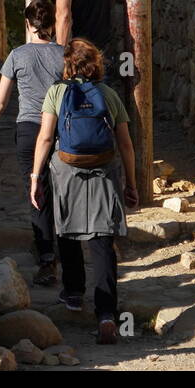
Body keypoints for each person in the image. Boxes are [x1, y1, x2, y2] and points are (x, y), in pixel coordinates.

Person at [31, 38, 139, 344]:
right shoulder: (108, 94)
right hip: (104, 169)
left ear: (68, 64)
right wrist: (130, 183)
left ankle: (75, 293)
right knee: (102, 237)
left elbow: (45, 138)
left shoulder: (56, 92)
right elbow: (126, 144)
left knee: (67, 228)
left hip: (66, 169)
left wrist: (35, 177)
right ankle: (106, 314)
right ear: (96, 64)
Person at [0, 0, 63, 286]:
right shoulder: (65, 56)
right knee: (58, 189)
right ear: (52, 24)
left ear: (28, 24)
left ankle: (47, 256)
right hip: (60, 131)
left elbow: (0, 99)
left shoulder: (17, 55)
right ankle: (61, 247)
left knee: (35, 190)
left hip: (27, 130)